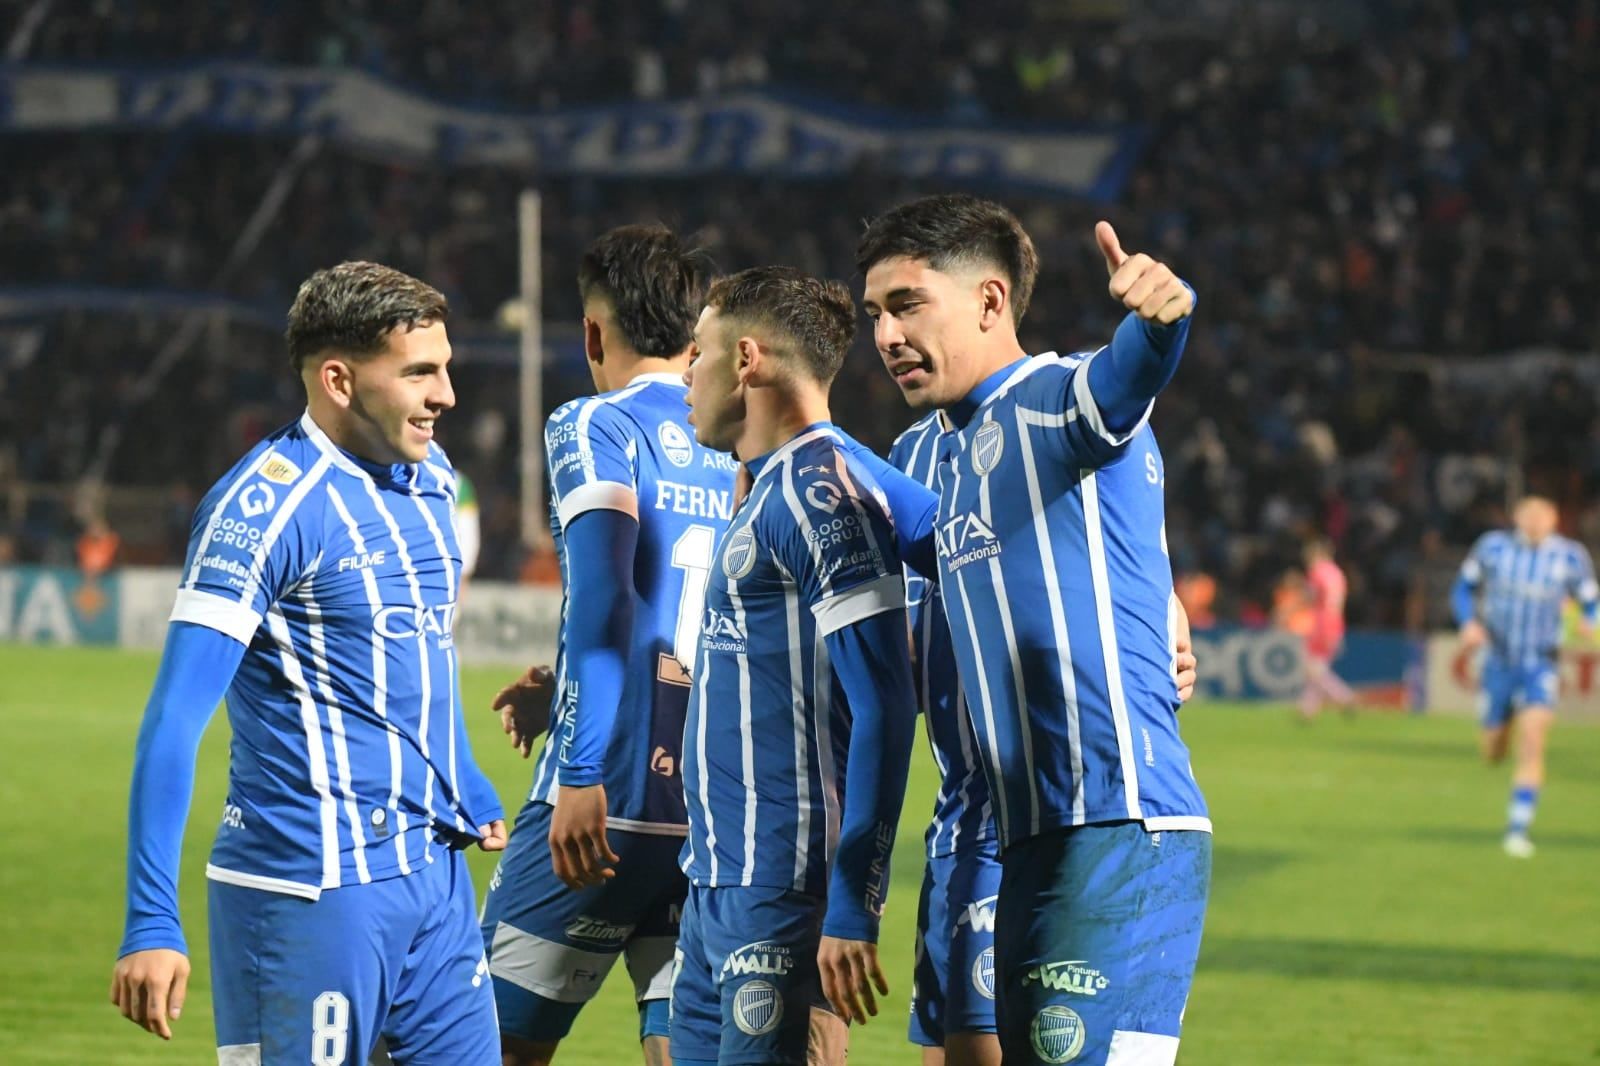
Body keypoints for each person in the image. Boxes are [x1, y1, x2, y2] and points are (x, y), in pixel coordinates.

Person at [110, 261, 505, 1063]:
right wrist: (151, 918)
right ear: (338, 380)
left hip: (432, 881)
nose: (446, 395)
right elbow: (174, 719)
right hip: (309, 891)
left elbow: (423, 649)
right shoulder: (261, 509)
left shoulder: (433, 480)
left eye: (445, 368)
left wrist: (459, 773)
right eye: (419, 372)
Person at [857, 194, 1210, 1066]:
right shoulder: (922, 456)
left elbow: (1125, 378)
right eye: (875, 315)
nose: (887, 336)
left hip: (1115, 824)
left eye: (907, 306)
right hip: (1010, 836)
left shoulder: (1055, 400)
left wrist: (1162, 319)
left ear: (990, 300)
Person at [889, 390, 1201, 1066]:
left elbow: (1115, 552)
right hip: (958, 825)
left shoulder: (1056, 413)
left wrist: (1163, 608)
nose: (889, 341)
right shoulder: (909, 452)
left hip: (1051, 816)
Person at [480, 224, 729, 1066]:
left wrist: (580, 768)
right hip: (709, 813)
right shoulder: (736, 444)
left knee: (481, 1045)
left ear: (593, 333)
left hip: (605, 798)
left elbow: (606, 595)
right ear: (696, 336)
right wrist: (565, 685)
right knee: (680, 1047)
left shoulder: (594, 425)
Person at [671, 266, 919, 1066]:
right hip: (715, 880)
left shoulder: (820, 495)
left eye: (700, 352)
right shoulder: (774, 484)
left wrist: (854, 904)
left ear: (747, 359)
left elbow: (886, 706)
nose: (686, 373)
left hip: (779, 886)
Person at [1452, 494, 1598, 858]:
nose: (1534, 522)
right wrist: (1468, 623)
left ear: (1554, 519)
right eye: (1528, 515)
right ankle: (1502, 723)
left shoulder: (1570, 556)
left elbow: (1591, 600)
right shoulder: (1492, 548)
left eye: (1541, 515)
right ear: (1516, 516)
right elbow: (1463, 588)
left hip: (1541, 662)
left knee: (1533, 742)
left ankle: (1517, 829)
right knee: (1493, 750)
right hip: (1498, 660)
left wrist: (1589, 620)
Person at [1297, 537, 1356, 720]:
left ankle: (1344, 696)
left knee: (1313, 667)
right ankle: (1308, 709)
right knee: (1317, 667)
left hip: (1322, 622)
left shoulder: (1318, 572)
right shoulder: (1337, 573)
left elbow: (1311, 597)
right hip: (1336, 621)